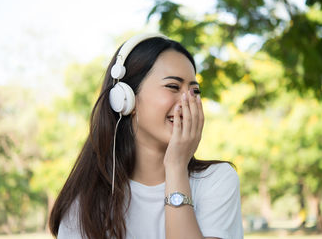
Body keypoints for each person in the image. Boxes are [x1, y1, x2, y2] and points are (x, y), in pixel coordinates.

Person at [49, 33, 243, 239]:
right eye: (173, 87)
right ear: (125, 99)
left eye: (195, 91)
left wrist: (176, 167)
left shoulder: (217, 180)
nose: (188, 101)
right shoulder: (86, 204)